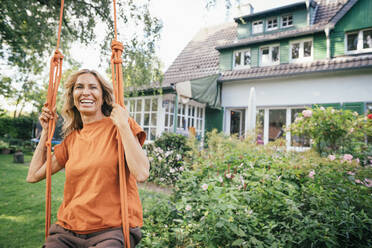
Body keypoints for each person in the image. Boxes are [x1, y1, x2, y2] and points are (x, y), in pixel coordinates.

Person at [26, 69, 150, 247]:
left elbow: (142, 173)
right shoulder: (72, 140)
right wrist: (45, 132)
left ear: (103, 96)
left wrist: (123, 125)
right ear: (73, 96)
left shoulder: (120, 126)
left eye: (93, 87)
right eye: (79, 87)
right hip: (68, 231)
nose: (85, 92)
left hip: (112, 230)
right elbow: (33, 176)